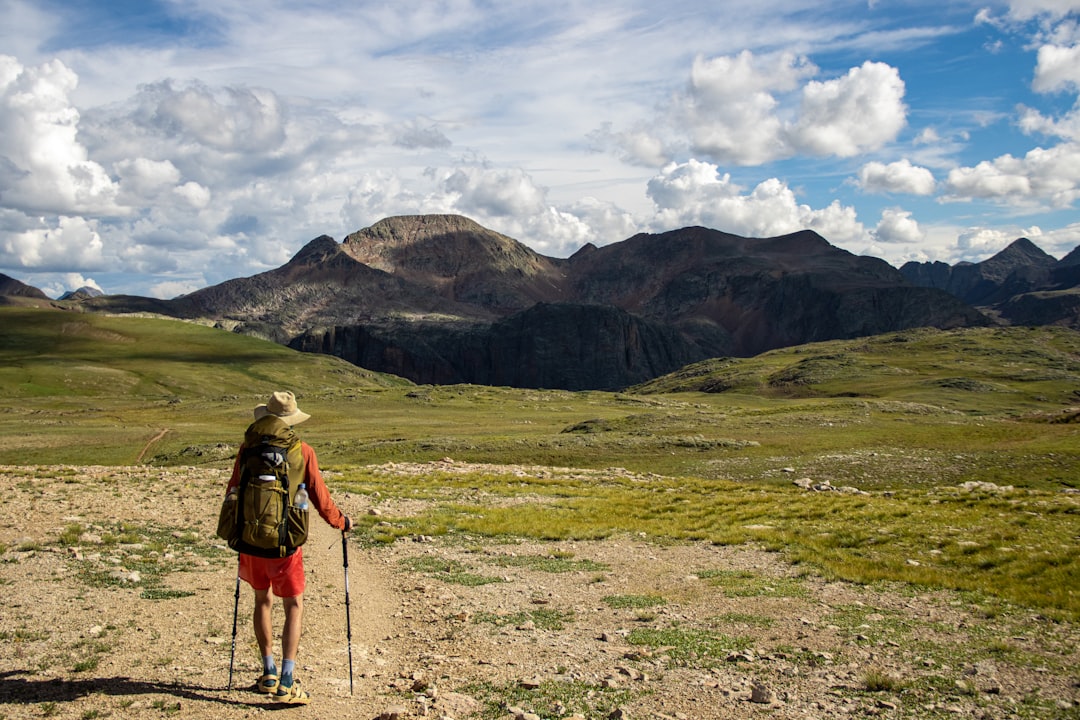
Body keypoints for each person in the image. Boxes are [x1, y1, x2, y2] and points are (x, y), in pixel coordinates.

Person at [225, 390, 353, 705]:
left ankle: (267, 673)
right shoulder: (302, 451)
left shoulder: (247, 448)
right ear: (291, 421)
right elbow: (320, 499)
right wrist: (341, 522)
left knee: (261, 601)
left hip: (251, 541)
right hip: (286, 544)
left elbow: (233, 489)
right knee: (293, 606)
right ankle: (287, 680)